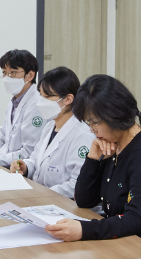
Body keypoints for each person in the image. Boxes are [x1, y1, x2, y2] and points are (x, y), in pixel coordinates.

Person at [46, 75, 141, 246]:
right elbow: (84, 200)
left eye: (95, 123)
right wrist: (93, 158)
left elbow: (135, 219)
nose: (92, 130)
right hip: (120, 243)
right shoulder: (113, 147)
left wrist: (84, 230)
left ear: (115, 116)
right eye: (89, 123)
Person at [10, 66, 91, 199]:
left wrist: (43, 194)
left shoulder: (82, 135)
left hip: (64, 204)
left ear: (68, 99)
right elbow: (36, 159)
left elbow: (77, 184)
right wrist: (26, 167)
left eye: (47, 97)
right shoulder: (49, 127)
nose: (41, 102)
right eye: (41, 96)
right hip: (41, 198)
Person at [0, 49, 45, 167]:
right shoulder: (15, 100)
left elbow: (29, 152)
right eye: (4, 72)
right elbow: (2, 137)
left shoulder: (36, 104)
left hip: (18, 167)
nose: (7, 77)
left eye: (13, 72)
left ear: (30, 75)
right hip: (3, 161)